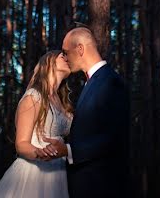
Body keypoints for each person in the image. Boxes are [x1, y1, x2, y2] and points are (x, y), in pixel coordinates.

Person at [42, 26, 130, 198]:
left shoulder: (111, 82)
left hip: (101, 186)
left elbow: (112, 138)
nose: (65, 58)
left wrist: (67, 150)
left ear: (80, 49)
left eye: (66, 52)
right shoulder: (92, 82)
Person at [0, 50, 74, 197]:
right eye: (62, 56)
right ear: (48, 63)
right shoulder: (33, 97)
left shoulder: (62, 102)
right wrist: (40, 153)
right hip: (33, 173)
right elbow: (21, 144)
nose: (67, 58)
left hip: (58, 173)